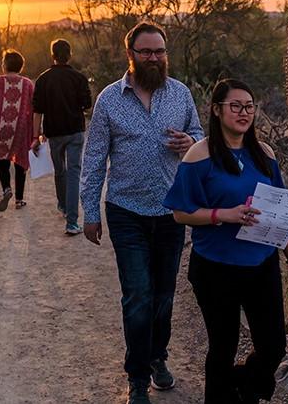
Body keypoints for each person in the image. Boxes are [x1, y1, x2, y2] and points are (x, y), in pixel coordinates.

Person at [80, 22, 205, 404]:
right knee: (138, 295)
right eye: (146, 51)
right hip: (125, 211)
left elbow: (202, 138)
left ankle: (157, 357)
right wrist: (89, 210)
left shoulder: (180, 94)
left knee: (164, 296)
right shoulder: (109, 100)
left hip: (172, 213)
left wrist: (192, 142)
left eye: (159, 51)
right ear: (130, 55)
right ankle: (136, 377)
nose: (154, 58)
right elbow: (94, 158)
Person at [163, 79, 288, 404]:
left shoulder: (264, 154)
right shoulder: (199, 155)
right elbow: (180, 214)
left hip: (261, 265)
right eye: (236, 106)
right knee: (223, 347)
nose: (244, 112)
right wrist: (222, 215)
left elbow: (281, 214)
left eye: (249, 106)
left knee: (273, 346)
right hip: (216, 268)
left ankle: (242, 385)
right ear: (217, 109)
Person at [32, 38, 93, 235]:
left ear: (53, 55)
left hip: (54, 133)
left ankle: (64, 205)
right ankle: (72, 222)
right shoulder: (79, 78)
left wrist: (36, 136)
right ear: (70, 55)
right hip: (75, 131)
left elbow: (37, 111)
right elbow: (87, 105)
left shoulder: (43, 79)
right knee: (74, 174)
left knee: (60, 171)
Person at [0, 49, 36, 211]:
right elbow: (33, 109)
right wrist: (35, 133)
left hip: (1, 126)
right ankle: (19, 200)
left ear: (4, 65)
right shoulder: (27, 84)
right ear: (21, 66)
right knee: (20, 162)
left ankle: (6, 189)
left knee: (1, 158)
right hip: (20, 128)